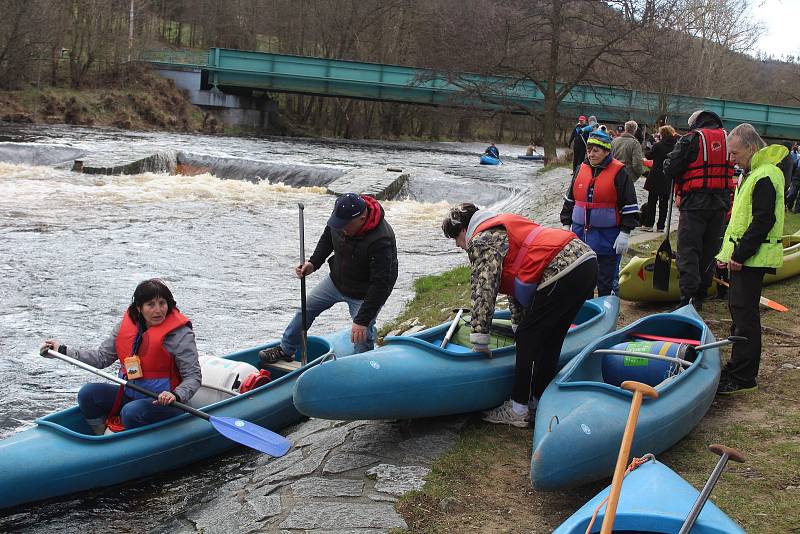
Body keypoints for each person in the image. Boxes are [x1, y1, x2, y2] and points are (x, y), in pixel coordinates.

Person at [442, 203, 597, 426]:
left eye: (456, 239)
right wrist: (518, 323)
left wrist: (480, 338)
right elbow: (517, 283)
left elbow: (484, 290)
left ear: (465, 230)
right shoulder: (501, 228)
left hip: (561, 270)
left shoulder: (480, 241)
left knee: (528, 338)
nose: (459, 246)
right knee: (549, 338)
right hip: (586, 262)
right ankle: (538, 402)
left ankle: (518, 408)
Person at [39, 279, 201, 434]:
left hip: (167, 403)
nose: (158, 310)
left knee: (131, 412)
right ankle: (101, 436)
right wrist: (61, 351)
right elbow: (101, 358)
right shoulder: (126, 327)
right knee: (87, 394)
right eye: (150, 304)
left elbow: (193, 377)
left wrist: (176, 395)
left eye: (162, 303)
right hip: (131, 394)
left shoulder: (180, 334)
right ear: (139, 308)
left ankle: (127, 444)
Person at [259, 193, 398, 362]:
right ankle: (286, 349)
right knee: (305, 310)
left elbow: (381, 284)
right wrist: (313, 263)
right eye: (339, 224)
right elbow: (327, 239)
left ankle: (362, 367)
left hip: (366, 292)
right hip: (337, 281)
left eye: (346, 226)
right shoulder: (341, 218)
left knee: (362, 333)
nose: (342, 229)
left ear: (362, 219)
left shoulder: (382, 239)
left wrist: (362, 320)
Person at [715, 124, 785, 395]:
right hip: (744, 256)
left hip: (752, 257)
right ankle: (737, 366)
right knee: (739, 312)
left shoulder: (766, 175)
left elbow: (762, 220)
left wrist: (741, 254)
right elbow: (741, 219)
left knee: (745, 316)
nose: (732, 159)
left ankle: (744, 377)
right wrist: (727, 253)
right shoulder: (754, 172)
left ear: (751, 147)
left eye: (734, 153)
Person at [663, 110, 735, 310]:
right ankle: (701, 295)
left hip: (695, 204)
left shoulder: (691, 139)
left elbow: (671, 168)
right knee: (710, 250)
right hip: (720, 204)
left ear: (696, 123)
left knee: (689, 250)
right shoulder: (729, 138)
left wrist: (668, 160)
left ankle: (688, 297)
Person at [561, 130, 639, 296]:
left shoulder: (620, 173)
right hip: (580, 237)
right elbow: (570, 200)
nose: (591, 154)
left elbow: (630, 205)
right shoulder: (580, 170)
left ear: (606, 151)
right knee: (582, 282)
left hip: (608, 238)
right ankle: (585, 314)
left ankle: (608, 312)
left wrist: (625, 233)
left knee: (606, 282)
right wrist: (566, 225)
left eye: (595, 150)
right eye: (589, 150)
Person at [641, 125, 678, 232]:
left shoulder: (658, 145)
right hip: (667, 177)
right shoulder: (675, 147)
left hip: (655, 175)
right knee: (664, 203)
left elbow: (649, 156)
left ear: (662, 134)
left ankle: (649, 224)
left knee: (652, 201)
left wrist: (648, 148)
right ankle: (661, 226)